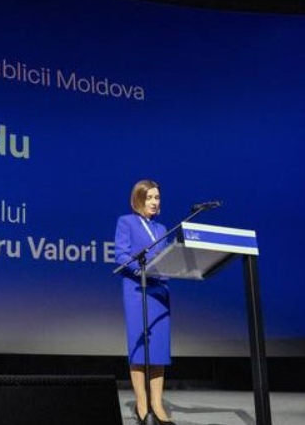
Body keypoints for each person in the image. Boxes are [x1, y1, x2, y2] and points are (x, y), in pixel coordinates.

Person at [114, 179, 175, 425]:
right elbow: (121, 255)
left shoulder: (162, 228)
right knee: (140, 349)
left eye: (157, 197)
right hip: (137, 290)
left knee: (158, 349)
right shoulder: (126, 222)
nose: (154, 202)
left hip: (159, 290)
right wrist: (142, 269)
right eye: (149, 197)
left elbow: (167, 257)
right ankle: (142, 405)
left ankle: (157, 406)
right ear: (138, 199)